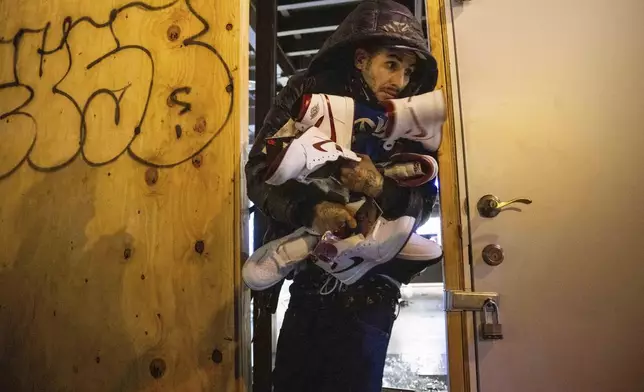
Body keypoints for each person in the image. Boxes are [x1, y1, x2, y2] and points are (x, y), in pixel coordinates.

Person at [245, 1, 442, 391]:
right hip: (311, 277)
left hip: (376, 286)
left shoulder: (416, 114)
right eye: (392, 64)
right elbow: (260, 172)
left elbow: (423, 204)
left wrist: (379, 186)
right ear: (361, 58)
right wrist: (312, 211)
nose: (401, 81)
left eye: (409, 70)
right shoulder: (308, 91)